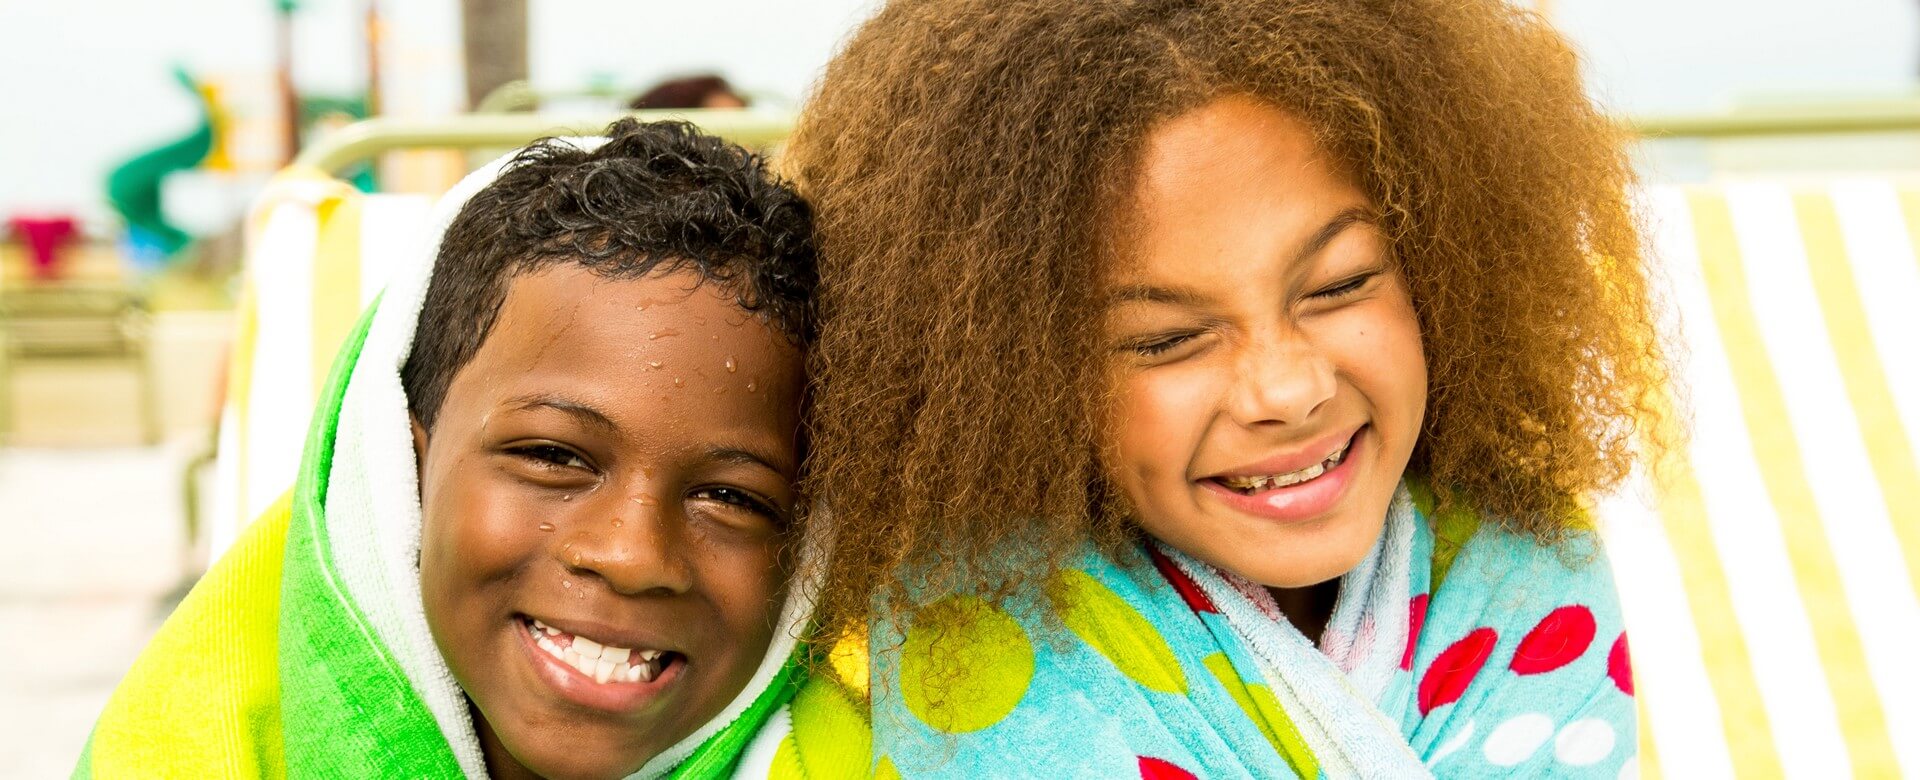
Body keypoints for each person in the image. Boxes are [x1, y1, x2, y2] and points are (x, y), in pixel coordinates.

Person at [745, 0, 1667, 776]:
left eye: (1342, 284)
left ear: (1442, 264)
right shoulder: (975, 642)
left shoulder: (1528, 563)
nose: (1288, 389)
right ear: (1005, 382)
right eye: (1169, 339)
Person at [79, 118, 819, 779]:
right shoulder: (186, 756)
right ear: (404, 472)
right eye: (555, 457)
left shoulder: (856, 752)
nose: (633, 555)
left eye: (732, 497)